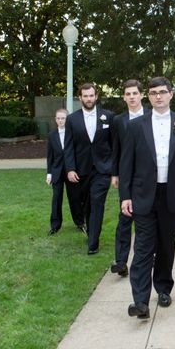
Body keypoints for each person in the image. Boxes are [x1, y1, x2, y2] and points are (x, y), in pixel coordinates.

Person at [120, 77, 175, 318]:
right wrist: (125, 195)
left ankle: (163, 287)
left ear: (171, 94)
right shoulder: (136, 126)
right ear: (147, 97)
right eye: (153, 93)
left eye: (162, 92)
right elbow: (126, 162)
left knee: (166, 245)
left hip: (171, 196)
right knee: (142, 248)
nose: (158, 96)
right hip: (143, 195)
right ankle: (140, 301)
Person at [64, 83, 114, 255]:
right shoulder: (72, 119)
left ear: (96, 96)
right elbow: (68, 146)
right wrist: (70, 169)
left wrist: (113, 168)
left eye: (91, 95)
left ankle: (93, 243)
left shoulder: (108, 116)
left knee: (97, 202)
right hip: (81, 169)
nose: (89, 99)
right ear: (80, 98)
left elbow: (113, 144)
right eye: (85, 96)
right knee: (86, 205)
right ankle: (90, 230)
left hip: (103, 169)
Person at [109, 79, 150, 277]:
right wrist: (115, 173)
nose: (132, 97)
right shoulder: (118, 121)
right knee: (124, 218)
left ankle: (147, 258)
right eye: (128, 94)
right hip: (127, 175)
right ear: (124, 97)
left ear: (141, 95)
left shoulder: (151, 116)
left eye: (135, 93)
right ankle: (121, 261)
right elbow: (115, 149)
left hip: (147, 176)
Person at [45, 109, 84, 235]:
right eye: (58, 118)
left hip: (71, 171)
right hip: (57, 171)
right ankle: (55, 225)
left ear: (67, 120)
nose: (60, 121)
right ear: (55, 119)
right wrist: (49, 173)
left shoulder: (73, 134)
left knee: (75, 197)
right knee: (56, 198)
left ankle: (80, 222)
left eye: (63, 118)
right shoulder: (52, 135)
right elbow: (50, 156)